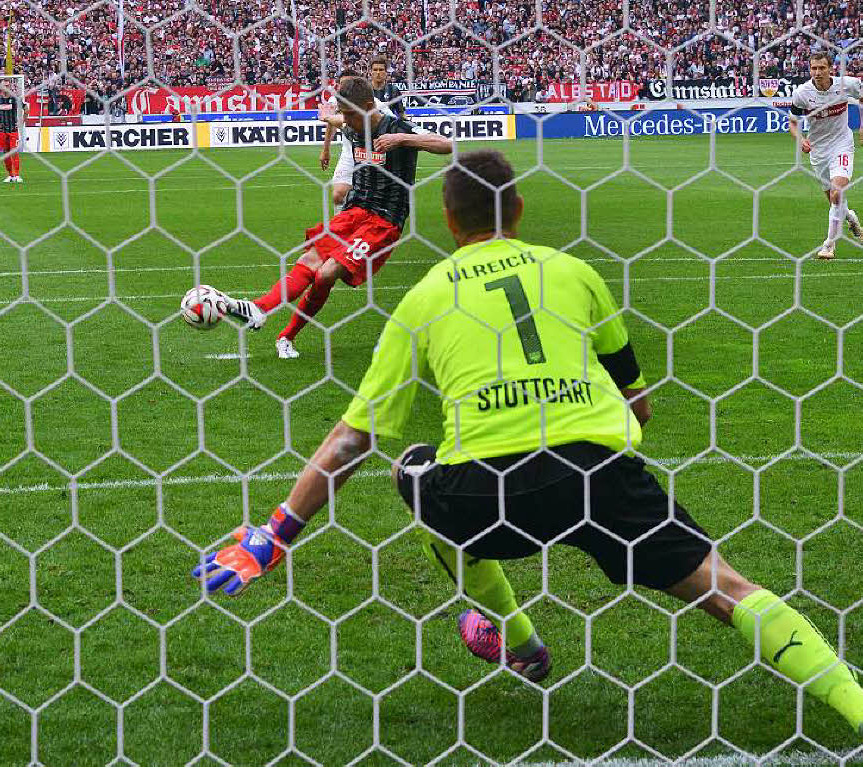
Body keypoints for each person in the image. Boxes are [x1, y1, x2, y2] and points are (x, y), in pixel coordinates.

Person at [193, 150, 863, 736]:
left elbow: (350, 440)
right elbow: (640, 404)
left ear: (450, 222)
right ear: (516, 209)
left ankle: (520, 641)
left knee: (412, 466)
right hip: (600, 477)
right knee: (728, 589)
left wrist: (275, 534)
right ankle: (855, 706)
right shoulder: (574, 272)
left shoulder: (424, 298)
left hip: (485, 497)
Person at [209, 76, 451, 360]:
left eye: (350, 114)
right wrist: (328, 118)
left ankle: (287, 334)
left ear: (369, 106)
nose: (346, 120)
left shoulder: (395, 127)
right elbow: (338, 122)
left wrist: (403, 139)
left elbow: (448, 144)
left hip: (383, 221)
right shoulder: (352, 127)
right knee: (310, 259)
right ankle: (259, 309)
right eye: (343, 113)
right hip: (354, 212)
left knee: (326, 273)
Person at [789, 51, 863, 259]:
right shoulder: (802, 93)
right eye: (814, 68)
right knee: (834, 200)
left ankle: (829, 245)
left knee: (837, 192)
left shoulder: (847, 84)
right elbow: (793, 124)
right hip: (818, 150)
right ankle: (851, 218)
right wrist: (800, 139)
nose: (818, 72)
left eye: (822, 68)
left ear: (831, 68)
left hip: (842, 144)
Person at [318, 68, 394, 209]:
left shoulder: (375, 103)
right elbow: (332, 124)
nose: (346, 88)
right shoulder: (335, 101)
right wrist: (326, 150)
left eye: (349, 84)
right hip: (349, 154)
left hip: (371, 154)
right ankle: (342, 228)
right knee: (338, 194)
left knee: (371, 199)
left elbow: (392, 122)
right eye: (342, 84)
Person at [0, 78, 26, 183]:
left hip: (13, 130)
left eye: (7, 86)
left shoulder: (15, 99)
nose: (5, 88)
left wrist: (22, 121)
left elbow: (26, 108)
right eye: (3, 85)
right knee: (5, 153)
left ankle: (17, 175)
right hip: (2, 130)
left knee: (14, 151)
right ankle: (10, 175)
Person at [370, 54, 406, 119]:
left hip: (387, 127)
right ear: (371, 72)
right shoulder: (365, 90)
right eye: (375, 70)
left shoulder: (393, 90)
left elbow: (401, 114)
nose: (378, 72)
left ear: (386, 72)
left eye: (381, 70)